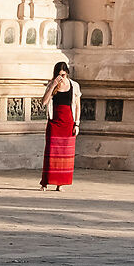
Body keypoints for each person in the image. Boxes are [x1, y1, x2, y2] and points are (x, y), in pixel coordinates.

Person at [40, 57, 81, 190]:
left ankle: (60, 183)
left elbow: (77, 106)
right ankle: (45, 182)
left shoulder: (74, 86)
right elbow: (44, 102)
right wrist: (52, 85)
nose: (61, 77)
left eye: (63, 75)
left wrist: (77, 124)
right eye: (59, 75)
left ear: (67, 73)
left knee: (65, 154)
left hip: (68, 122)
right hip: (55, 121)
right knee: (51, 152)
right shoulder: (52, 85)